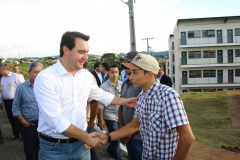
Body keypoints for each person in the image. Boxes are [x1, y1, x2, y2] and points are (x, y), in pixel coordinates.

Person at [33, 31, 136, 159]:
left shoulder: (85, 75)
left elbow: (101, 95)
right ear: (66, 50)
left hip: (81, 147)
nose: (86, 57)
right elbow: (55, 120)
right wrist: (87, 137)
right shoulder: (46, 78)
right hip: (54, 149)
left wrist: (125, 101)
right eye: (81, 52)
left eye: (87, 52)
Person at [91, 54, 195, 160]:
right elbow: (134, 125)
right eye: (130, 72)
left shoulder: (168, 96)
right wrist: (107, 137)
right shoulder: (142, 96)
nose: (130, 77)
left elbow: (187, 137)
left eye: (135, 72)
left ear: (149, 74)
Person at [12, 62, 43, 160]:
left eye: (40, 72)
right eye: (35, 72)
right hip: (29, 126)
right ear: (29, 72)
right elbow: (15, 107)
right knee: (30, 153)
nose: (38, 75)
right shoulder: (21, 88)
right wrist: (23, 122)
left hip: (44, 126)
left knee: (43, 152)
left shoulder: (45, 87)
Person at [118, 51, 143, 160]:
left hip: (139, 137)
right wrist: (121, 129)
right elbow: (121, 107)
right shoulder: (124, 84)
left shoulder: (140, 85)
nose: (124, 66)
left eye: (127, 62)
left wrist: (128, 132)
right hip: (127, 136)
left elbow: (143, 112)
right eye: (124, 63)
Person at [99, 65, 122, 160]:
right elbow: (100, 105)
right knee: (116, 138)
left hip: (120, 115)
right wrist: (100, 120)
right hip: (109, 116)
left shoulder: (122, 84)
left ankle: (110, 149)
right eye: (112, 72)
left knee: (116, 137)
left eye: (116, 72)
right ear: (108, 73)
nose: (114, 74)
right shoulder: (103, 87)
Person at [0, 63, 22, 140]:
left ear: (4, 69)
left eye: (0, 69)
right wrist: (1, 102)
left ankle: (23, 134)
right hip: (6, 101)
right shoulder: (2, 78)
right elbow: (2, 91)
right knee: (11, 118)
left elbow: (21, 87)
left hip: (15, 101)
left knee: (18, 117)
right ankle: (15, 133)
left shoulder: (14, 76)